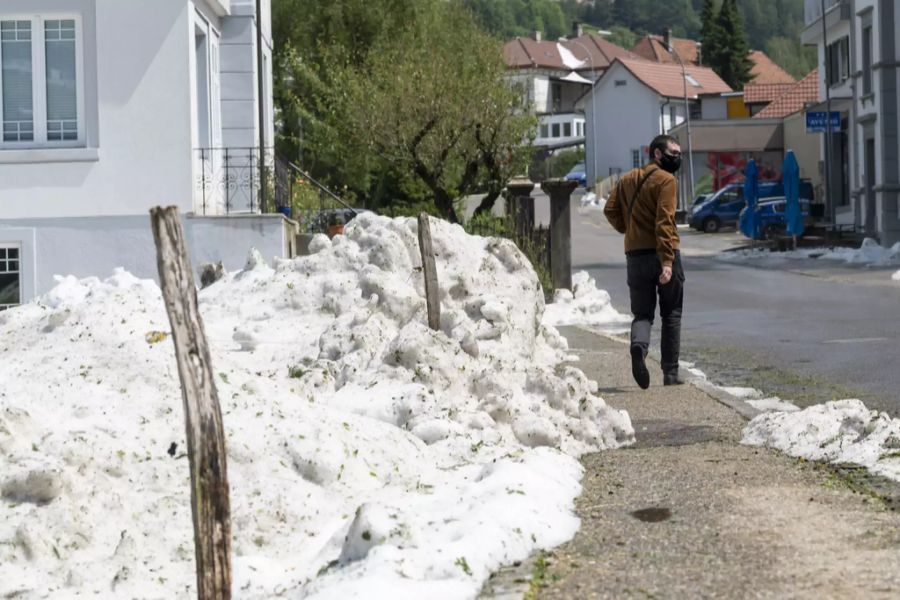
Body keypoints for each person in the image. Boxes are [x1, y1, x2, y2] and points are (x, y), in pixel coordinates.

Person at [603, 134, 685, 389]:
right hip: (663, 254)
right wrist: (668, 261)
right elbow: (664, 222)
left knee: (642, 314)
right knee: (671, 313)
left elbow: (610, 210)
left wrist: (629, 229)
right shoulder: (667, 181)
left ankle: (639, 347)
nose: (677, 158)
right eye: (673, 153)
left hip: (635, 256)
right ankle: (670, 374)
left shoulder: (627, 179)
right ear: (657, 153)